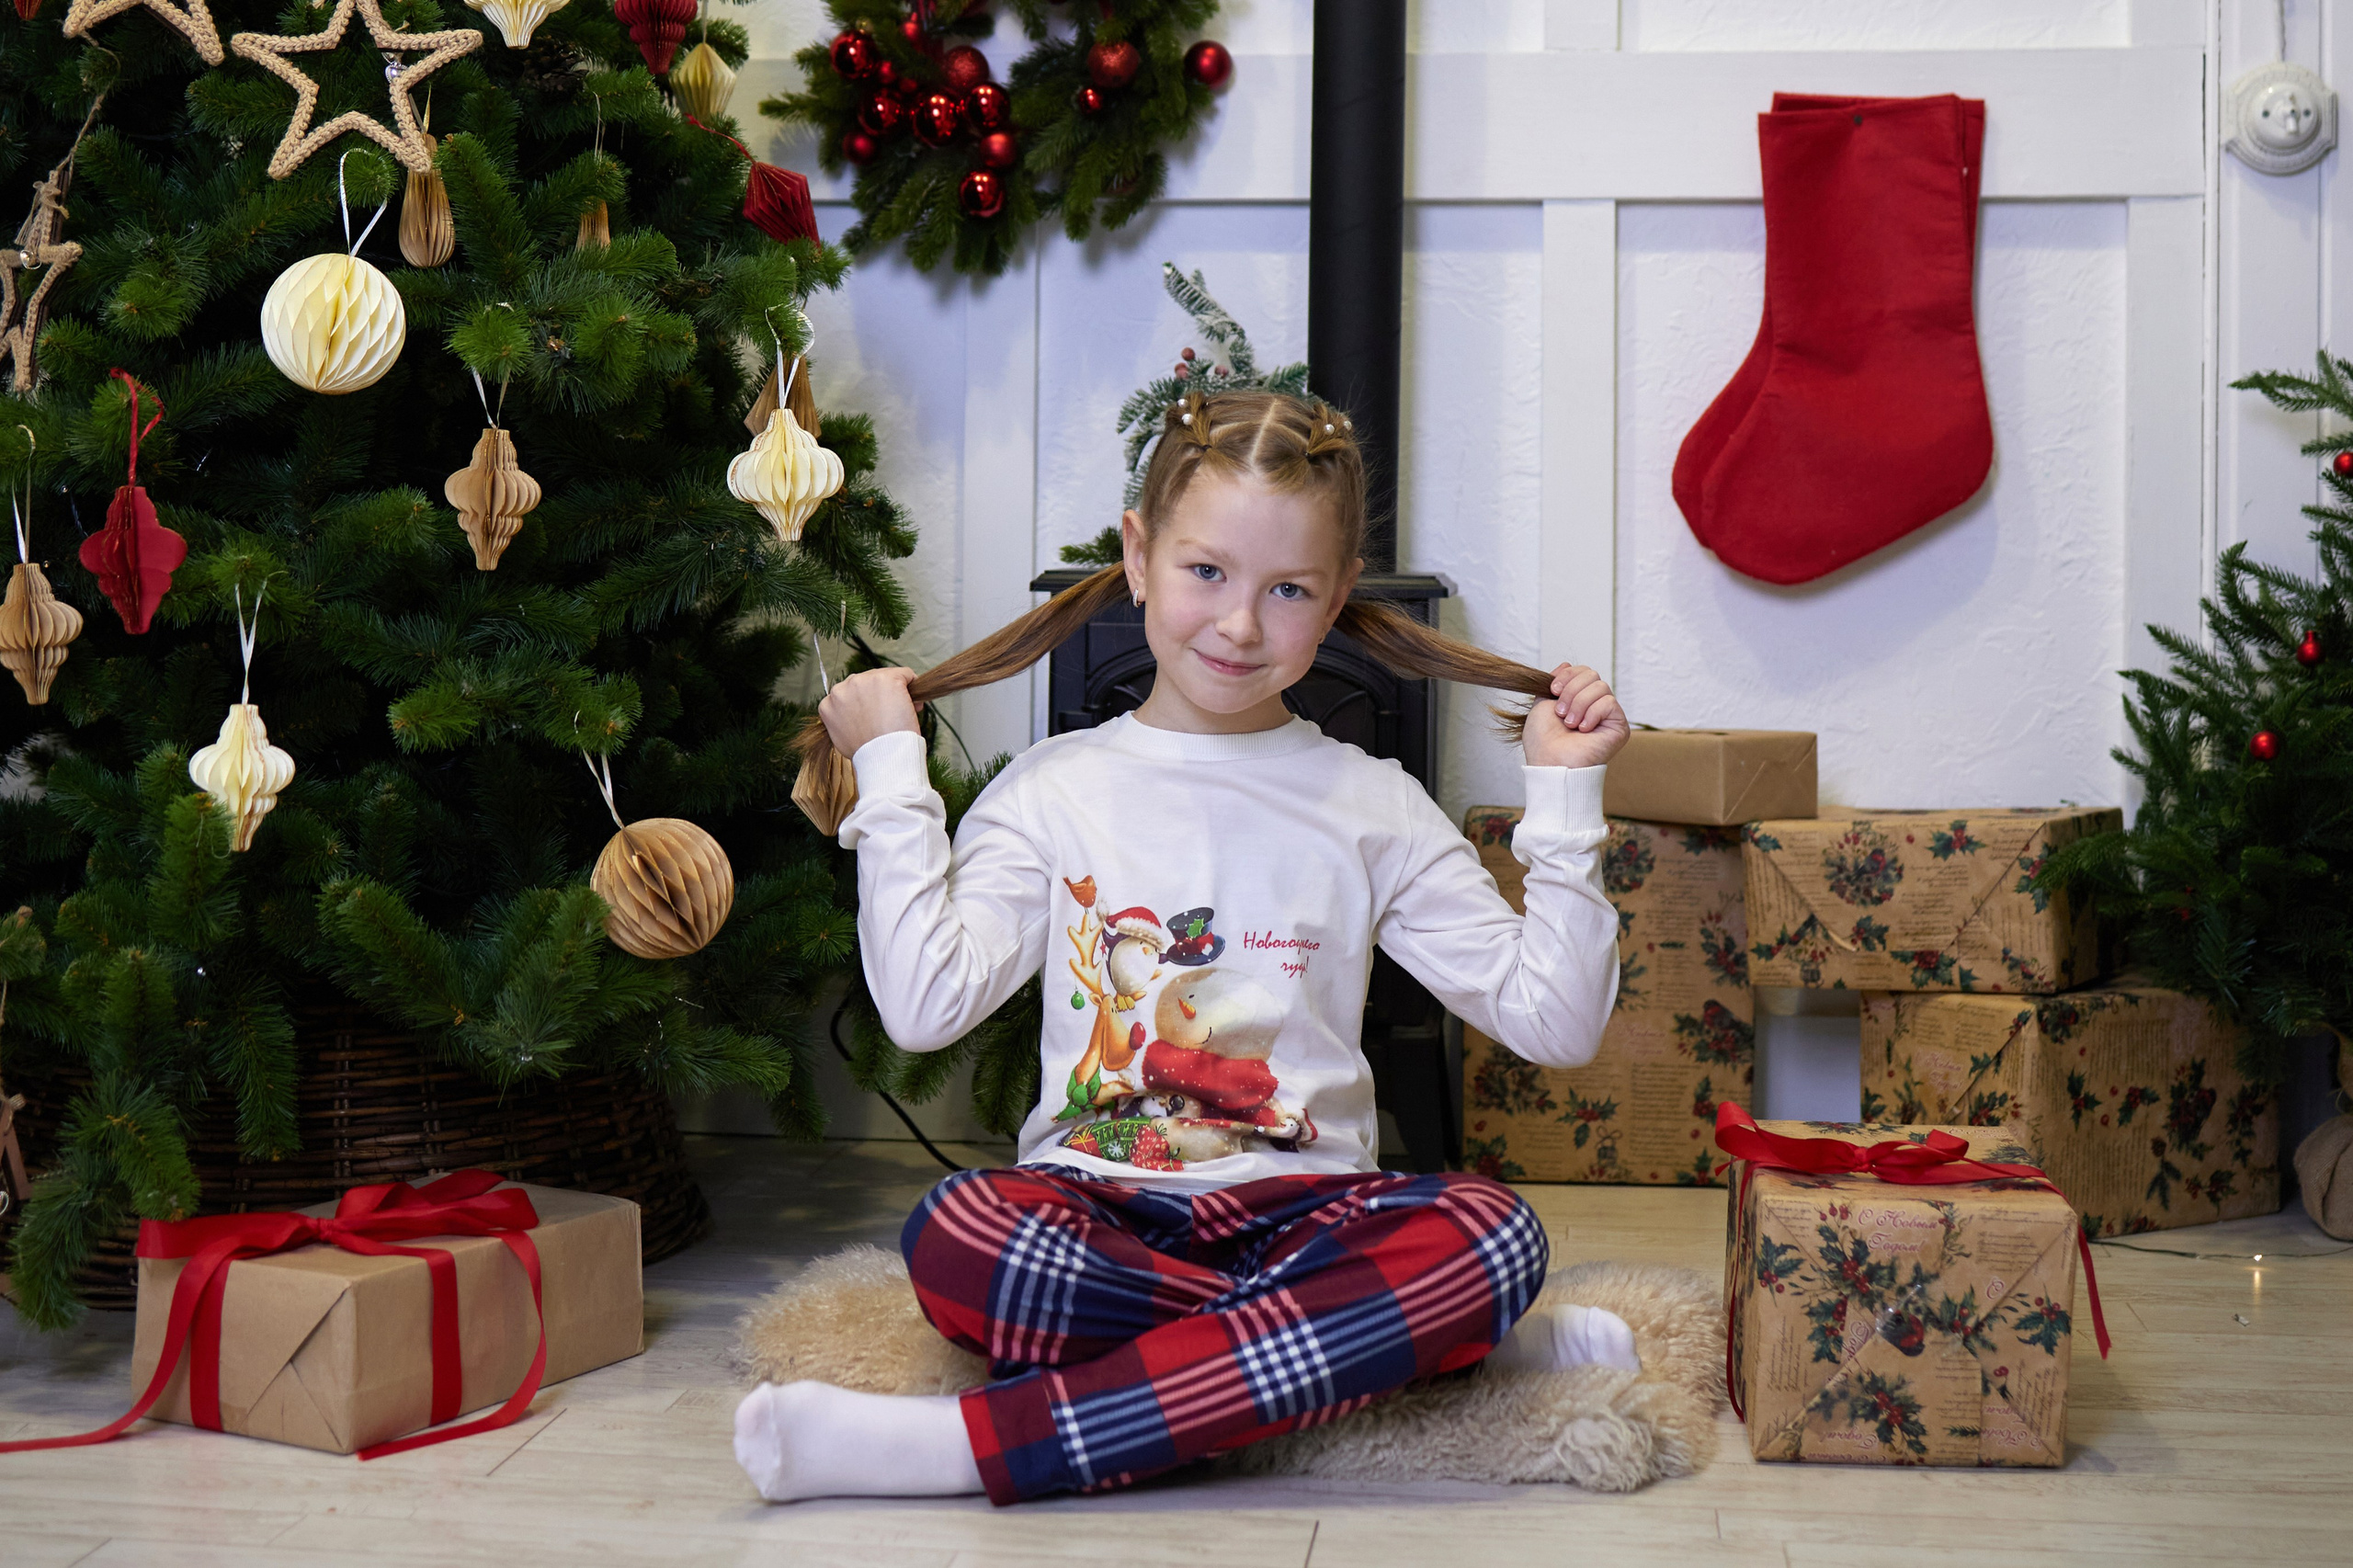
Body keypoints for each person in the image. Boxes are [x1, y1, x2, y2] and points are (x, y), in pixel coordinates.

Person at [734, 390, 1635, 1507]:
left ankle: (968, 1449)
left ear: (1338, 594)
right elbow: (923, 1007)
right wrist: (892, 780)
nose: (1241, 625)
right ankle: (1383, 1350)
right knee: (960, 1235)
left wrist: (1564, 790)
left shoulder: (1371, 803)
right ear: (1138, 554)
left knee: (1488, 1236)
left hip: (1308, 1217)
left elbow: (1555, 1019)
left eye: (1289, 589)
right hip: (1095, 1209)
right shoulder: (1054, 790)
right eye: (1206, 572)